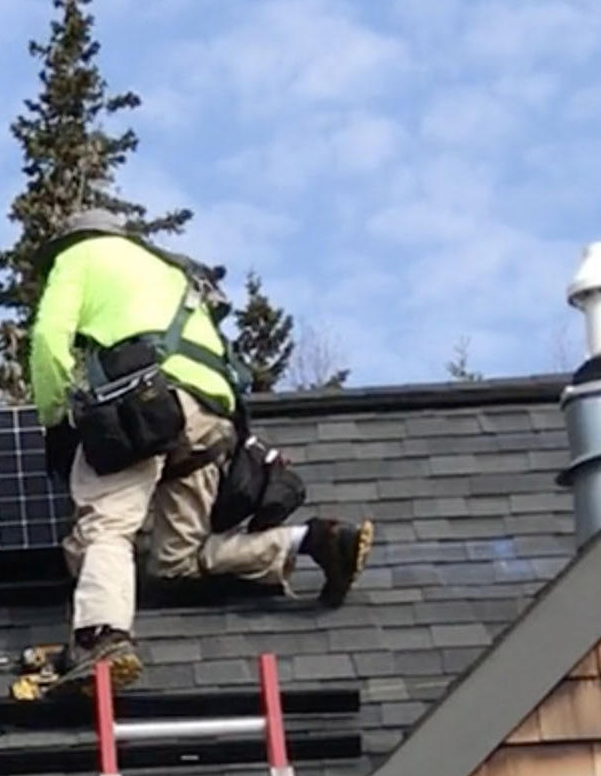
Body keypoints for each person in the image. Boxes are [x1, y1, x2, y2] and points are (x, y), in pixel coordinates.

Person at [29, 208, 372, 686]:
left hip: (148, 406)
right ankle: (309, 541)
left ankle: (100, 639)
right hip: (213, 419)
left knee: (105, 526)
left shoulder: (79, 256)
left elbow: (48, 340)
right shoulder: (172, 270)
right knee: (175, 563)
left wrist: (54, 418)